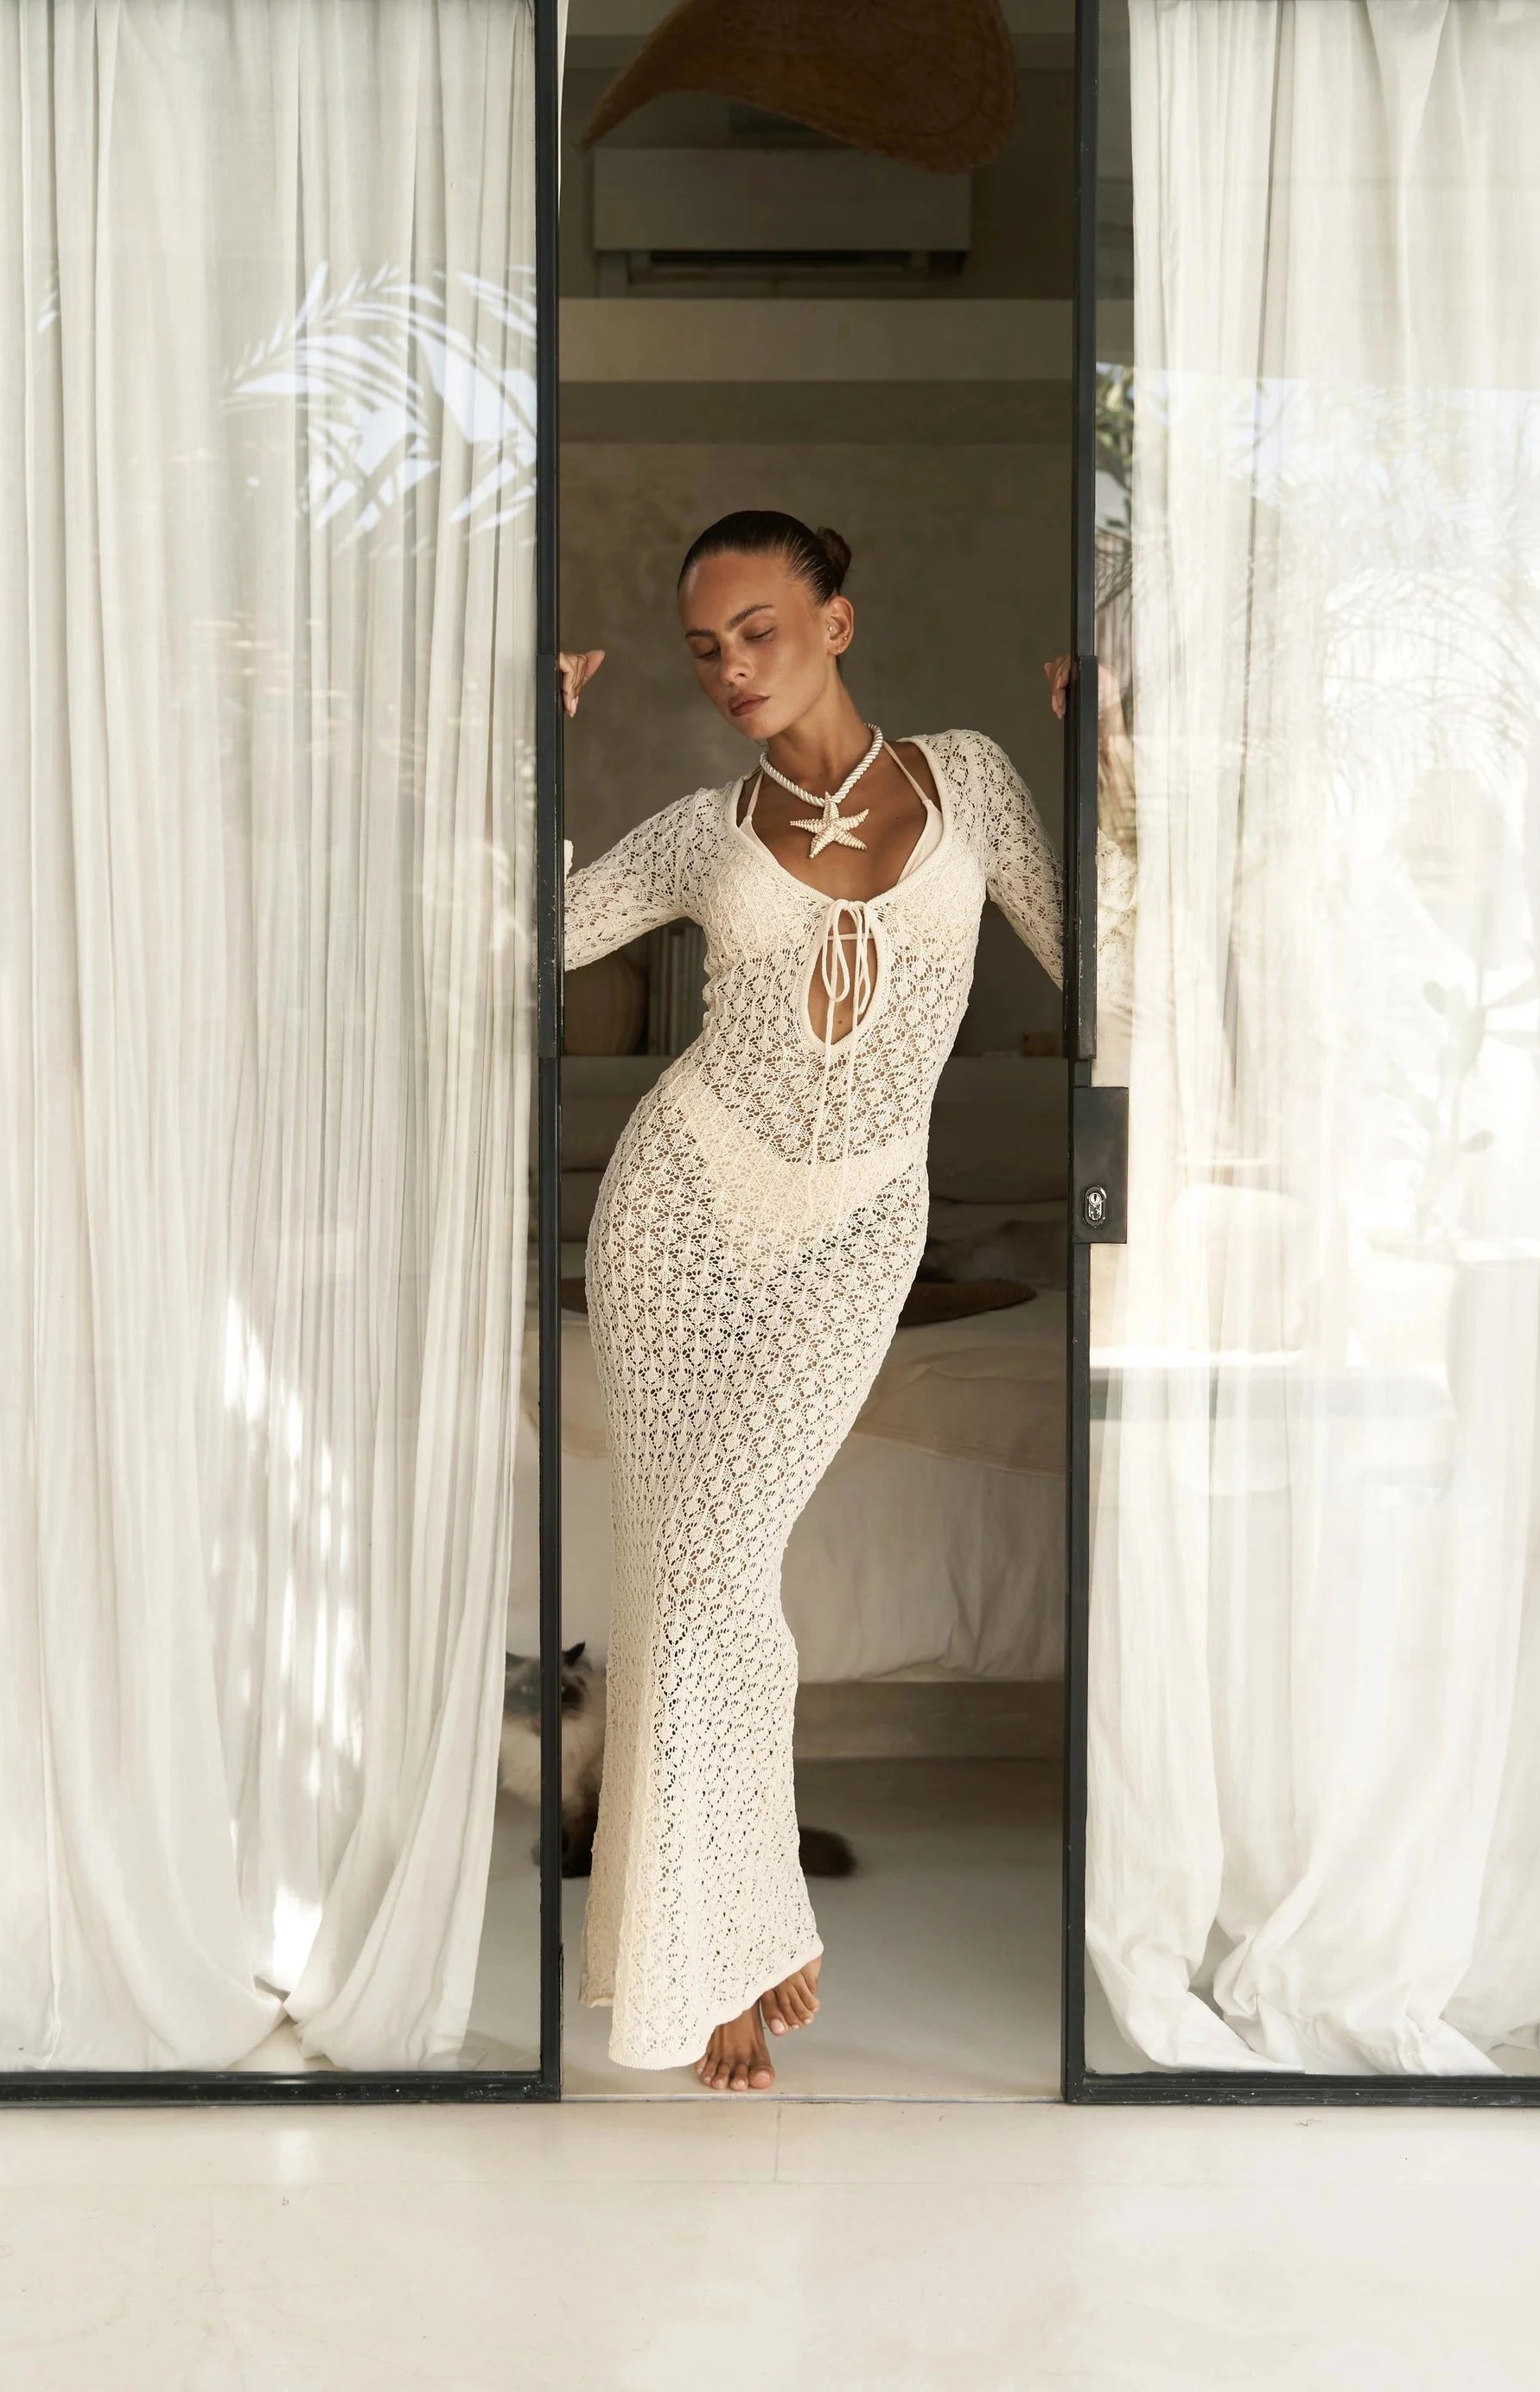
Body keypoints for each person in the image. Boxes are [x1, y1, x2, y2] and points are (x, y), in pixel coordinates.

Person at [558, 511, 1062, 2091]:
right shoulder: (700, 832)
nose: (730, 668)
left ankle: (722, 1924)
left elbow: (1101, 962)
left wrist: (1108, 762)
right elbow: (524, 943)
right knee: (687, 1574)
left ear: (833, 622)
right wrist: (528, 754)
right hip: (681, 1209)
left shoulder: (968, 780)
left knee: (717, 1569)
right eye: (705, 648)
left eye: (759, 630)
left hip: (857, 1226)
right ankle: (719, 1943)